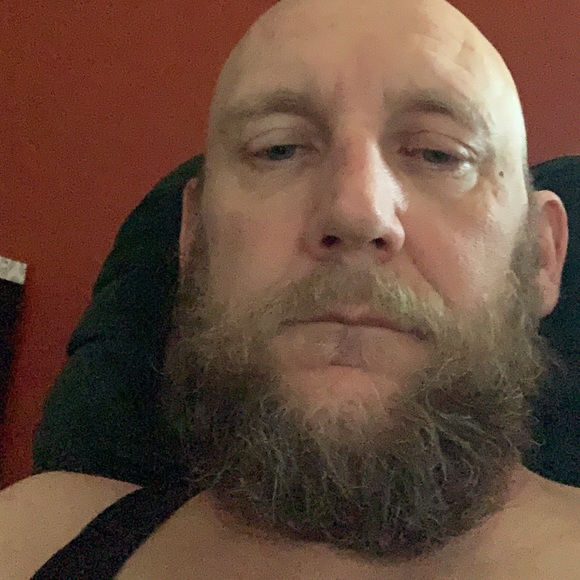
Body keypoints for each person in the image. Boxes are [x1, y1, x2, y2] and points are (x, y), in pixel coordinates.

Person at [3, 0, 579, 577]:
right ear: (193, 237)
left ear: (541, 255)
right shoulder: (28, 541)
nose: (356, 213)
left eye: (439, 154)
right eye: (278, 149)